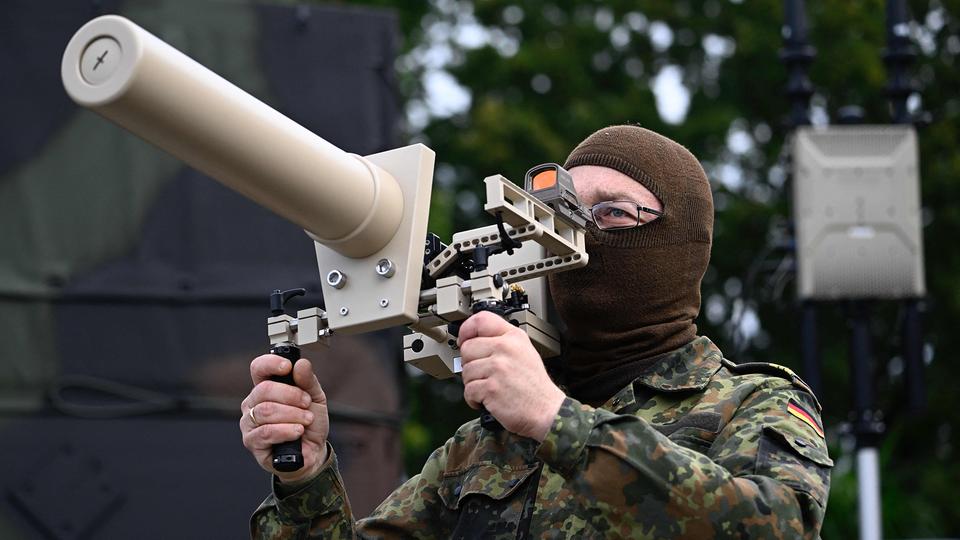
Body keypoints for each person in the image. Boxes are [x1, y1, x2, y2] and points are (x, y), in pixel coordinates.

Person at [240, 125, 833, 539]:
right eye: (561, 213)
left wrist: (556, 419)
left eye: (611, 213)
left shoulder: (748, 403)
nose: (579, 233)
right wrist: (305, 478)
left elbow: (776, 527)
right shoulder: (484, 447)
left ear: (677, 246)